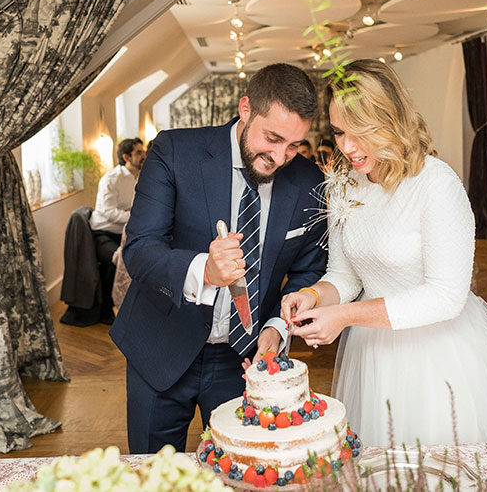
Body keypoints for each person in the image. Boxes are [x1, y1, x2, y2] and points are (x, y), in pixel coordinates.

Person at [281, 59, 487, 447]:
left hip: (439, 357)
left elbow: (446, 297)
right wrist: (311, 297)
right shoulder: (344, 183)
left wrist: (344, 315)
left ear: (390, 120)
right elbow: (345, 275)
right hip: (374, 353)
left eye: (361, 132)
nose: (348, 147)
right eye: (341, 132)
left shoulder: (436, 184)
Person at [112, 63, 328, 454]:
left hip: (244, 361)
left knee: (243, 470)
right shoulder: (175, 151)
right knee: (155, 477)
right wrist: (205, 271)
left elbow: (308, 269)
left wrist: (278, 328)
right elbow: (140, 249)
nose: (280, 157)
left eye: (294, 145)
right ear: (245, 109)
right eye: (272, 138)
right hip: (160, 349)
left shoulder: (310, 181)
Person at [87, 137, 145, 323]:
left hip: (125, 232)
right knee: (118, 259)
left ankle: (135, 307)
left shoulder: (141, 176)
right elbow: (106, 212)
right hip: (103, 233)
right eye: (139, 152)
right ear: (126, 157)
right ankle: (106, 310)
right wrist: (133, 215)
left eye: (143, 151)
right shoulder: (111, 179)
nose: (144, 155)